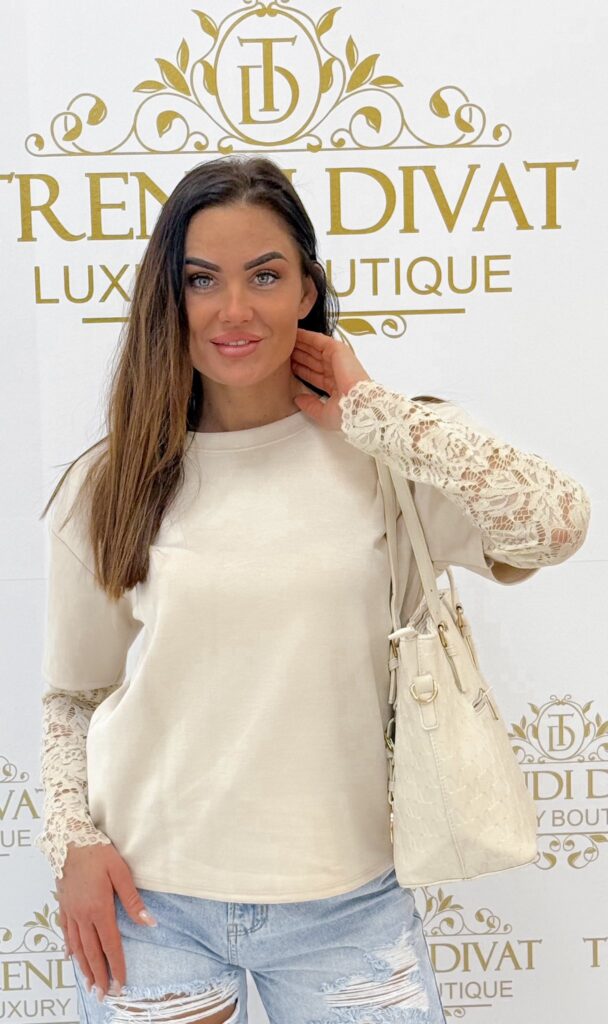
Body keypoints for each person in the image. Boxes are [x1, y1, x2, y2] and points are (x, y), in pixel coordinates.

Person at [34, 155, 591, 1024]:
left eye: (265, 275)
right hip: (150, 904)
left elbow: (557, 524)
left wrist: (375, 411)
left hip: (349, 905)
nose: (234, 309)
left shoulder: (384, 458)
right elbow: (76, 696)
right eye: (202, 279)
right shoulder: (111, 483)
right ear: (169, 299)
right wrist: (72, 842)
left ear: (307, 291)